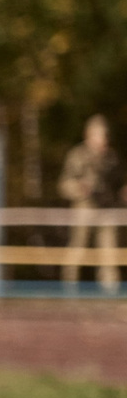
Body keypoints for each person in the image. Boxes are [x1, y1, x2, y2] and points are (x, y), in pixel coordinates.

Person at [58, 114, 119, 294]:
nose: (103, 140)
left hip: (107, 209)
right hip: (84, 208)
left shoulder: (112, 158)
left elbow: (118, 183)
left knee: (109, 250)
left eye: (105, 135)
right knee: (78, 247)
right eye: (100, 135)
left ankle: (110, 290)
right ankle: (69, 288)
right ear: (89, 135)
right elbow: (63, 184)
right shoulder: (77, 155)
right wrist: (78, 188)